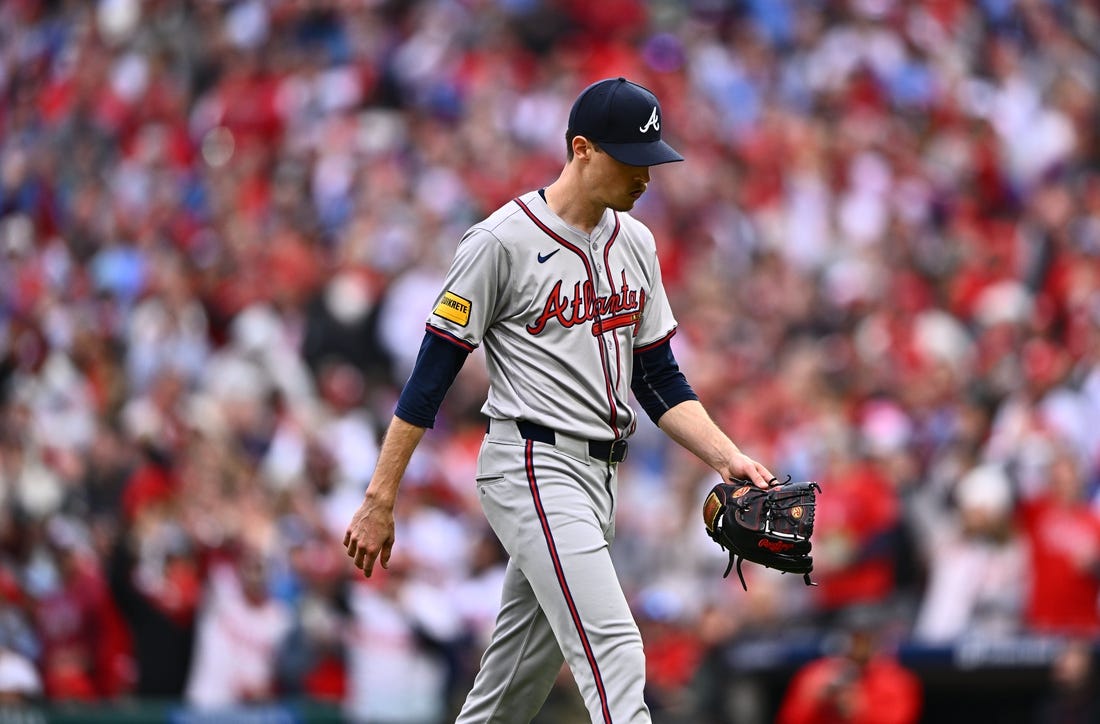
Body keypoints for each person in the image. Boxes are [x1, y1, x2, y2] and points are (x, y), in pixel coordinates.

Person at [343, 76, 776, 723]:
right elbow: (429, 377)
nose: (645, 178)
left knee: (512, 688)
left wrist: (726, 456)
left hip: (600, 479)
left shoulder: (636, 243)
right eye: (631, 160)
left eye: (651, 161)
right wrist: (380, 497)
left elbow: (658, 379)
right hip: (532, 464)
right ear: (582, 150)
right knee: (616, 650)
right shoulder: (501, 241)